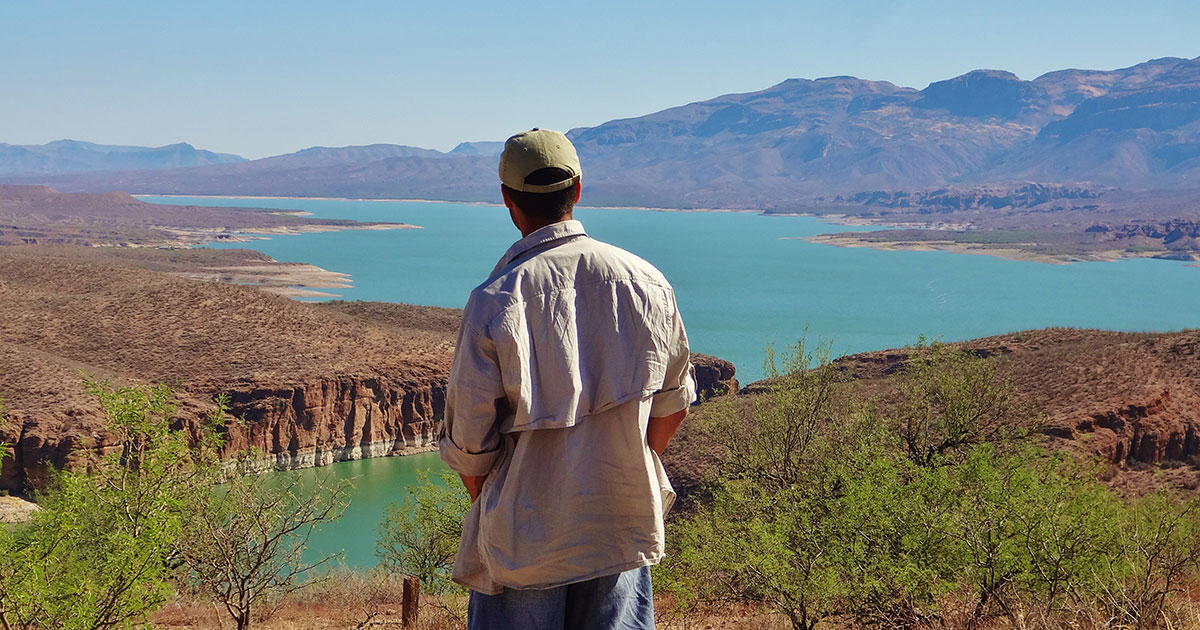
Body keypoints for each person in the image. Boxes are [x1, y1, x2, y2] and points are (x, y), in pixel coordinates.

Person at [438, 128, 696, 629]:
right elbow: (673, 406)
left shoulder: (495, 301)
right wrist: (620, 464)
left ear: (508, 200)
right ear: (577, 190)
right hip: (620, 528)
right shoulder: (648, 283)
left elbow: (471, 447)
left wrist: (502, 502)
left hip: (525, 541)